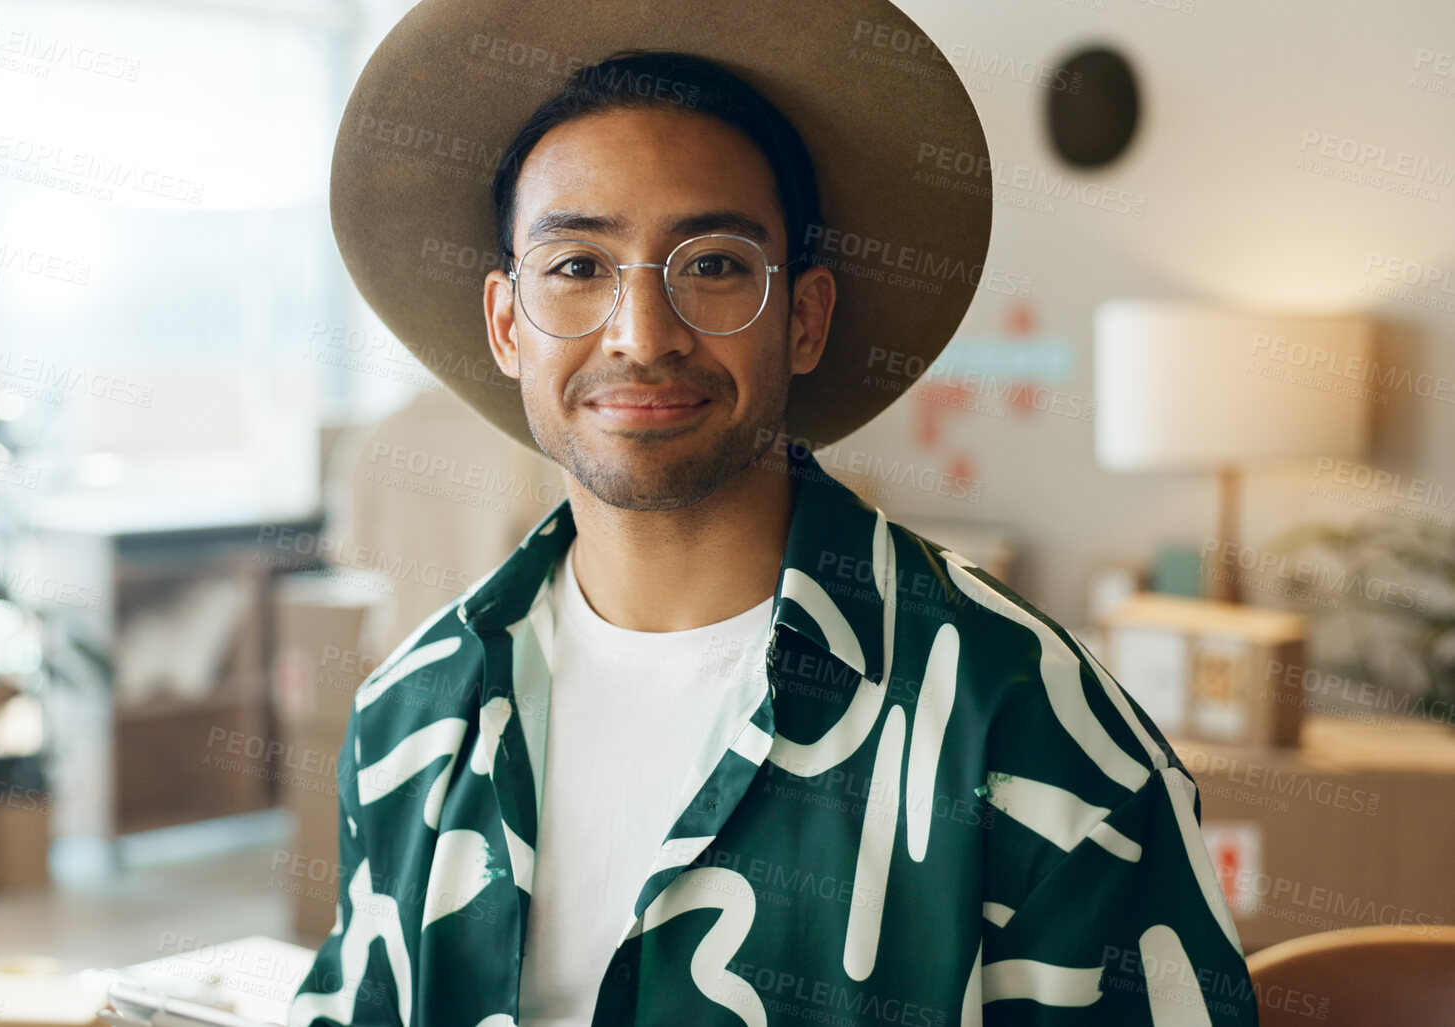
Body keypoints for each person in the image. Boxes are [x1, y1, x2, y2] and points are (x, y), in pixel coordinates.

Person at [290, 2, 1258, 1024]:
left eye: (711, 264)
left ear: (802, 318)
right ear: (505, 324)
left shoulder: (1031, 730)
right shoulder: (414, 716)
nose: (640, 334)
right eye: (578, 267)